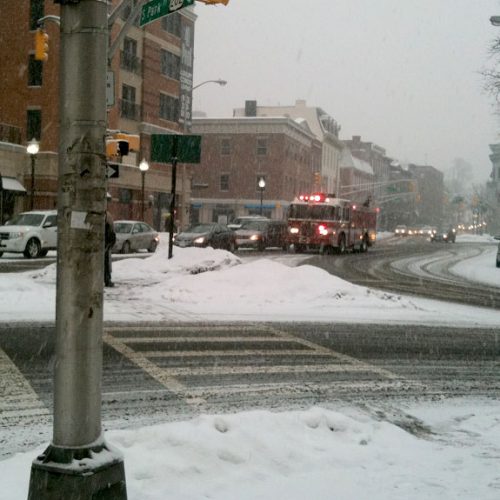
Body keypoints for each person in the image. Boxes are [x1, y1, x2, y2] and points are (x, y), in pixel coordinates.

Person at [104, 205, 116, 287]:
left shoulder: (105, 216)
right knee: (106, 264)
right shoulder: (108, 215)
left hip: (104, 244)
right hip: (106, 244)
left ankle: (106, 279)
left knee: (105, 264)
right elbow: (112, 231)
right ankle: (107, 279)